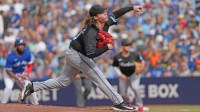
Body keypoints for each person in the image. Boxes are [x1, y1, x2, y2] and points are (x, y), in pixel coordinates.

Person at [19, 4, 143, 111]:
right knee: (99, 77)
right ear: (96, 17)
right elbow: (90, 54)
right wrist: (107, 47)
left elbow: (117, 13)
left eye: (105, 12)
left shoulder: (104, 22)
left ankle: (32, 87)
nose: (106, 14)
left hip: (73, 52)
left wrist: (132, 8)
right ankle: (119, 103)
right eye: (102, 13)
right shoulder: (91, 32)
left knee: (62, 82)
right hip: (78, 54)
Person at [1, 38, 38, 105]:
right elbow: (8, 71)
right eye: (20, 45)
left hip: (20, 73)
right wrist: (17, 78)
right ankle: (2, 105)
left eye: (23, 45)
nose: (22, 46)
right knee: (9, 87)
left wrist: (25, 73)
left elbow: (30, 66)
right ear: (15, 47)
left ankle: (36, 106)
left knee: (29, 87)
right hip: (9, 74)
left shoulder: (27, 54)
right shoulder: (11, 56)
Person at [112, 39, 146, 111]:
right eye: (126, 45)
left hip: (134, 74)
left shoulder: (135, 55)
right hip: (123, 75)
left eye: (129, 45)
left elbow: (142, 61)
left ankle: (140, 105)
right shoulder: (117, 57)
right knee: (123, 94)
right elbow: (115, 66)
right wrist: (120, 74)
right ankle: (128, 102)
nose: (128, 47)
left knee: (135, 87)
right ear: (122, 47)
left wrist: (142, 66)